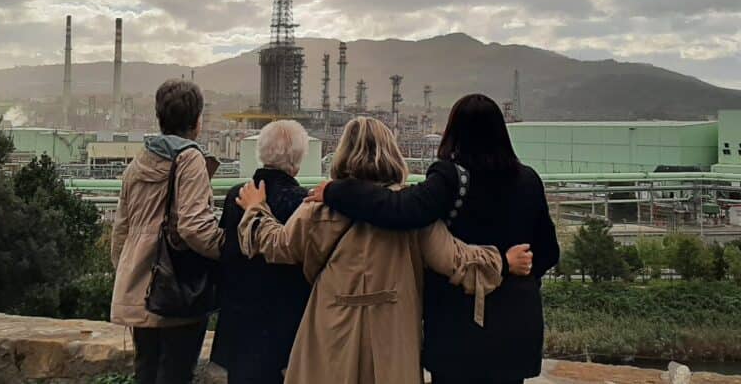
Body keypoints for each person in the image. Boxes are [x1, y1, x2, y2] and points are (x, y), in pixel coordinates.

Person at [235, 116, 533, 384]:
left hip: (329, 328)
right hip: (394, 334)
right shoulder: (412, 213)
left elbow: (278, 245)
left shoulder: (319, 206)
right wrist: (503, 262)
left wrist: (255, 208)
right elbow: (456, 261)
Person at [313, 94, 560, 384]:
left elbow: (400, 209)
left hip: (460, 326)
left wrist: (336, 191)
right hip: (517, 321)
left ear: (453, 132)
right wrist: (512, 275)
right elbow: (548, 252)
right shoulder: (529, 179)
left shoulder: (450, 177)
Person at [111, 79, 225, 384]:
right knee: (176, 372)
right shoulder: (190, 159)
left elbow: (121, 229)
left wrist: (128, 273)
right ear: (197, 120)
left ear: (159, 117)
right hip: (176, 287)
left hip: (140, 285)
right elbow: (193, 227)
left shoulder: (139, 161)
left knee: (146, 370)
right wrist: (229, 248)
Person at [210, 120, 311, 384]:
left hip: (240, 324)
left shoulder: (236, 195)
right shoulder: (302, 203)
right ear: (298, 160)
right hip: (286, 329)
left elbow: (226, 256)